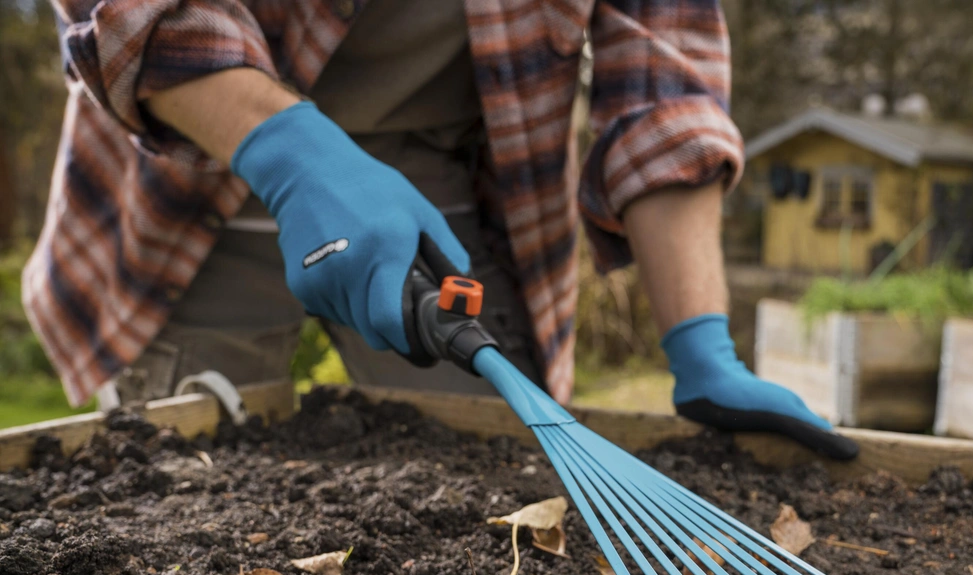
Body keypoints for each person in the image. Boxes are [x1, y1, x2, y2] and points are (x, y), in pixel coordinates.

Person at [24, 0, 857, 459]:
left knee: (491, 466)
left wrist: (700, 340)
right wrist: (290, 152)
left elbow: (662, 84)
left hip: (439, 178)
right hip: (201, 150)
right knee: (177, 462)